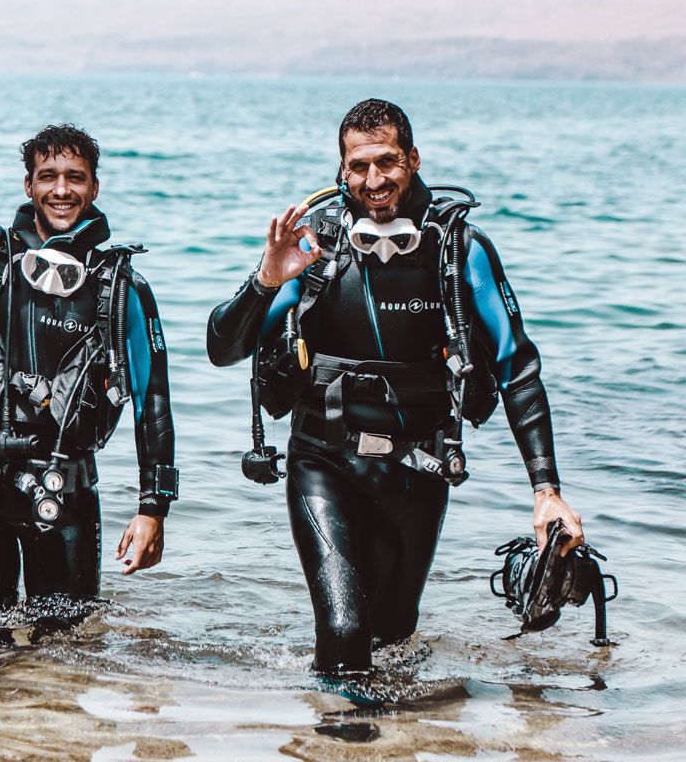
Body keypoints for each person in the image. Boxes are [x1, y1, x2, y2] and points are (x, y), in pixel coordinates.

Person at [206, 98, 585, 674]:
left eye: (387, 162)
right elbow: (222, 349)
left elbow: (517, 366)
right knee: (343, 631)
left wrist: (546, 489)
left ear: (412, 158)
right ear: (341, 171)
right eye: (357, 167)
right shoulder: (314, 249)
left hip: (420, 470)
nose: (373, 180)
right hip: (323, 462)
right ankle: (336, 740)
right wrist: (265, 278)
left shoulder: (458, 249)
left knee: (393, 633)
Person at [0, 20, 178, 626]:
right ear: (28, 184)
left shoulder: (120, 286)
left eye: (75, 177)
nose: (61, 189)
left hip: (69, 495)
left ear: (94, 187)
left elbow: (154, 399)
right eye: (48, 177)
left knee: (65, 663)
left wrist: (154, 506)